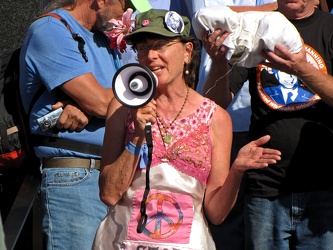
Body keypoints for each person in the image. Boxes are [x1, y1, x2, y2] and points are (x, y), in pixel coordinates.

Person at [92, 9, 281, 249]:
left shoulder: (216, 118)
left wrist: (237, 170)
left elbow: (216, 214)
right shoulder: (123, 107)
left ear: (187, 52)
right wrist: (137, 136)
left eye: (161, 45)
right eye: (142, 48)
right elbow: (108, 194)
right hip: (122, 242)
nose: (150, 56)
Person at [201, 0, 333, 249]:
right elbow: (217, 103)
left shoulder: (330, 28)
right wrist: (218, 61)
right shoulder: (255, 27)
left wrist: (302, 69)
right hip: (265, 187)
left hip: (323, 186)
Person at [19, 0, 128, 249]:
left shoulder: (104, 38)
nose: (127, 10)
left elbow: (108, 101)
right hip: (76, 176)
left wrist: (89, 105)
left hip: (113, 174)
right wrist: (96, 103)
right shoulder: (50, 29)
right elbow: (102, 103)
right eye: (124, 1)